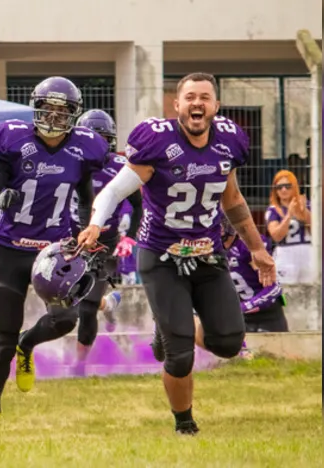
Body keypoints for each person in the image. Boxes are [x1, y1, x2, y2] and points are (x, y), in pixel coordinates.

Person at [80, 72, 276, 435]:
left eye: (204, 97)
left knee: (230, 343)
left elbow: (231, 199)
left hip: (207, 254)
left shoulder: (228, 141)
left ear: (215, 105)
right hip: (161, 256)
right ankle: (184, 423)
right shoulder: (157, 141)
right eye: (190, 97)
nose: (197, 103)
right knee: (179, 352)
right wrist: (95, 223)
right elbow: (113, 191)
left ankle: (171, 328)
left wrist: (258, 249)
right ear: (177, 105)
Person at [0, 76, 108, 421]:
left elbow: (85, 201)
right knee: (2, 334)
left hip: (53, 251)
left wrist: (82, 232)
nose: (53, 117)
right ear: (35, 108)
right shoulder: (14, 142)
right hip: (9, 249)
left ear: (74, 116)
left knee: (65, 319)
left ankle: (27, 343)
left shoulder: (83, 149)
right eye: (47, 109)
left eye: (62, 112)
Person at [68, 109, 142, 373]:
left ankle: (79, 364)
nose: (95, 143)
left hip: (104, 243)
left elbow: (138, 206)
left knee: (86, 307)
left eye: (101, 138)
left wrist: (130, 238)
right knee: (68, 296)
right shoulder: (67, 161)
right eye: (91, 137)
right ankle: (107, 303)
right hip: (71, 239)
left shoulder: (120, 167)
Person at [222, 217, 287, 332]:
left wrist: (246, 306)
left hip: (267, 313)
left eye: (221, 224)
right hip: (239, 317)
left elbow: (274, 288)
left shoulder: (248, 245)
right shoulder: (211, 249)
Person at [266, 169, 314, 283]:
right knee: (285, 291)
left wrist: (304, 212)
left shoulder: (308, 205)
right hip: (285, 254)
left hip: (308, 252)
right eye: (279, 187)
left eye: (288, 186)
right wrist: (289, 215)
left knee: (312, 289)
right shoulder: (273, 211)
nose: (283, 189)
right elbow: (276, 236)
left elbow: (318, 231)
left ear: (294, 187)